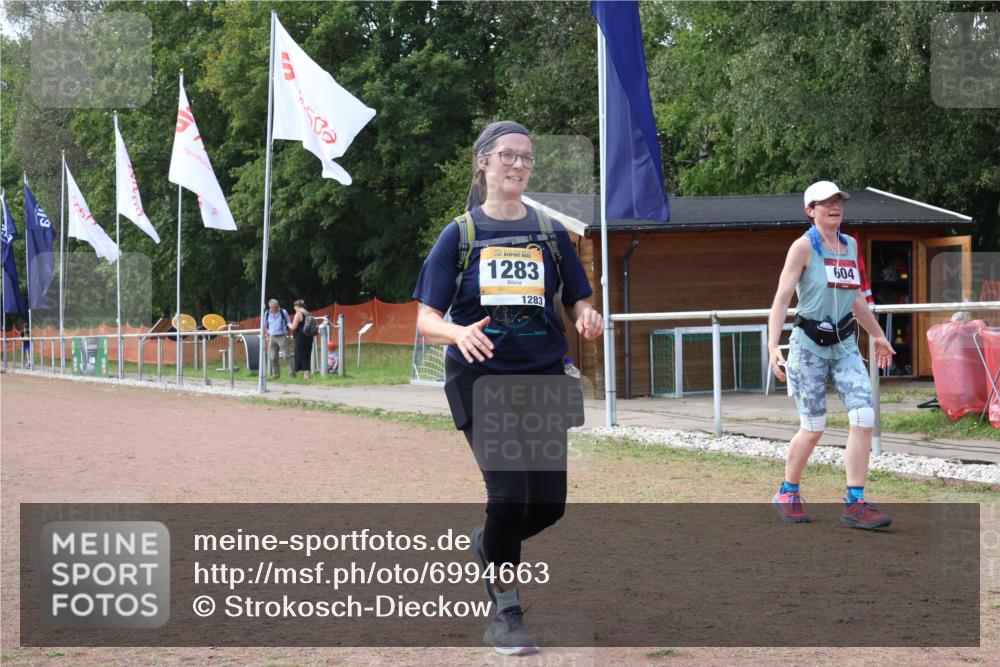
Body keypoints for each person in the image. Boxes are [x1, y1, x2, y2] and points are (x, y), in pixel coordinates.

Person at [413, 121, 603, 656]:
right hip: (482, 381)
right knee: (508, 494)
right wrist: (457, 332)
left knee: (548, 506)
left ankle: (489, 544)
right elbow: (426, 319)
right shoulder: (460, 234)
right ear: (483, 163)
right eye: (507, 157)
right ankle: (506, 611)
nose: (518, 165)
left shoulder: (548, 232)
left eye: (526, 158)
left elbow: (579, 299)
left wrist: (589, 317)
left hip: (542, 378)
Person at [767, 181, 896, 530]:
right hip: (807, 346)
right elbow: (781, 299)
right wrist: (772, 346)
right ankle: (788, 492)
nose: (834, 206)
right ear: (811, 210)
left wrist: (879, 335)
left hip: (844, 344)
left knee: (865, 415)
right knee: (813, 427)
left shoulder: (851, 245)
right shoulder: (802, 247)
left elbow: (854, 298)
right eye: (826, 202)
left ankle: (855, 502)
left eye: (838, 201)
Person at [264, 298, 292, 378]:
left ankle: (291, 373)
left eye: (277, 306)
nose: (277, 308)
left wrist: (289, 336)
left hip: (282, 336)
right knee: (273, 357)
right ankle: (276, 374)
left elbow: (288, 323)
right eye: (275, 307)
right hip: (272, 337)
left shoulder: (283, 312)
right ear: (270, 307)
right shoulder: (267, 313)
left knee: (287, 355)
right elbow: (265, 325)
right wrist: (267, 335)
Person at [287, 299, 314, 380]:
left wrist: (288, 324)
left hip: (301, 338)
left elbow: (293, 326)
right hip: (309, 337)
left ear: (296, 306)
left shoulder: (298, 314)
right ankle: (307, 375)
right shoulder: (307, 313)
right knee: (307, 355)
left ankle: (306, 376)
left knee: (301, 355)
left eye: (294, 307)